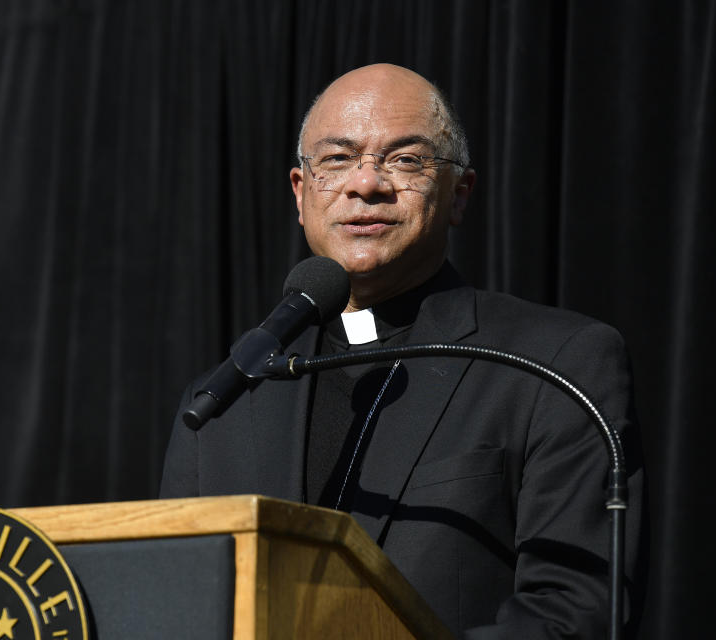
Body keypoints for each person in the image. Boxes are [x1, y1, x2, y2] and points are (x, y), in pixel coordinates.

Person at [160, 63, 646, 638]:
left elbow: (573, 614)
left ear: (458, 194)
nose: (366, 183)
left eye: (405, 160)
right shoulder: (226, 396)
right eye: (337, 159)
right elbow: (173, 604)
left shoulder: (556, 362)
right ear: (301, 192)